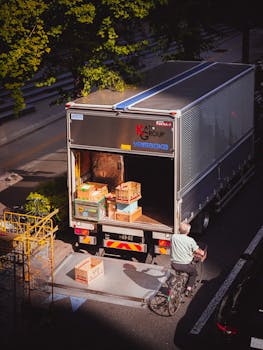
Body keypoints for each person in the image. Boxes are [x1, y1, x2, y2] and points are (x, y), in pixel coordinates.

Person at [171, 221, 206, 297]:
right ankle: (188, 290)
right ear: (188, 231)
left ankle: (178, 281)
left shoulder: (173, 237)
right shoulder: (190, 240)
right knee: (194, 274)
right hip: (185, 265)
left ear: (179, 230)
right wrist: (202, 253)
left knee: (180, 271)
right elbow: (197, 251)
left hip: (174, 264)